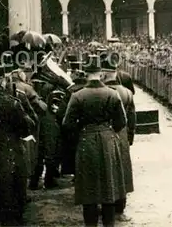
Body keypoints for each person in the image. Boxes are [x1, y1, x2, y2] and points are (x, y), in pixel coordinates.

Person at [63, 55, 127, 227]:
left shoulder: (77, 95)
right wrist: (108, 130)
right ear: (101, 73)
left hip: (86, 141)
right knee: (109, 188)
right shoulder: (112, 94)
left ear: (85, 72)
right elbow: (122, 122)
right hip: (108, 141)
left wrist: (82, 132)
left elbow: (67, 123)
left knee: (88, 191)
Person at [0, 65, 33, 226]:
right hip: (8, 155)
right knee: (9, 199)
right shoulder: (12, 102)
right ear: (1, 80)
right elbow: (25, 130)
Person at [101, 52, 136, 222]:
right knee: (122, 171)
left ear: (104, 74)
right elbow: (132, 118)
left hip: (104, 134)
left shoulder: (100, 91)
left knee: (106, 170)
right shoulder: (127, 93)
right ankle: (120, 209)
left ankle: (105, 206)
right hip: (121, 134)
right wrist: (130, 136)